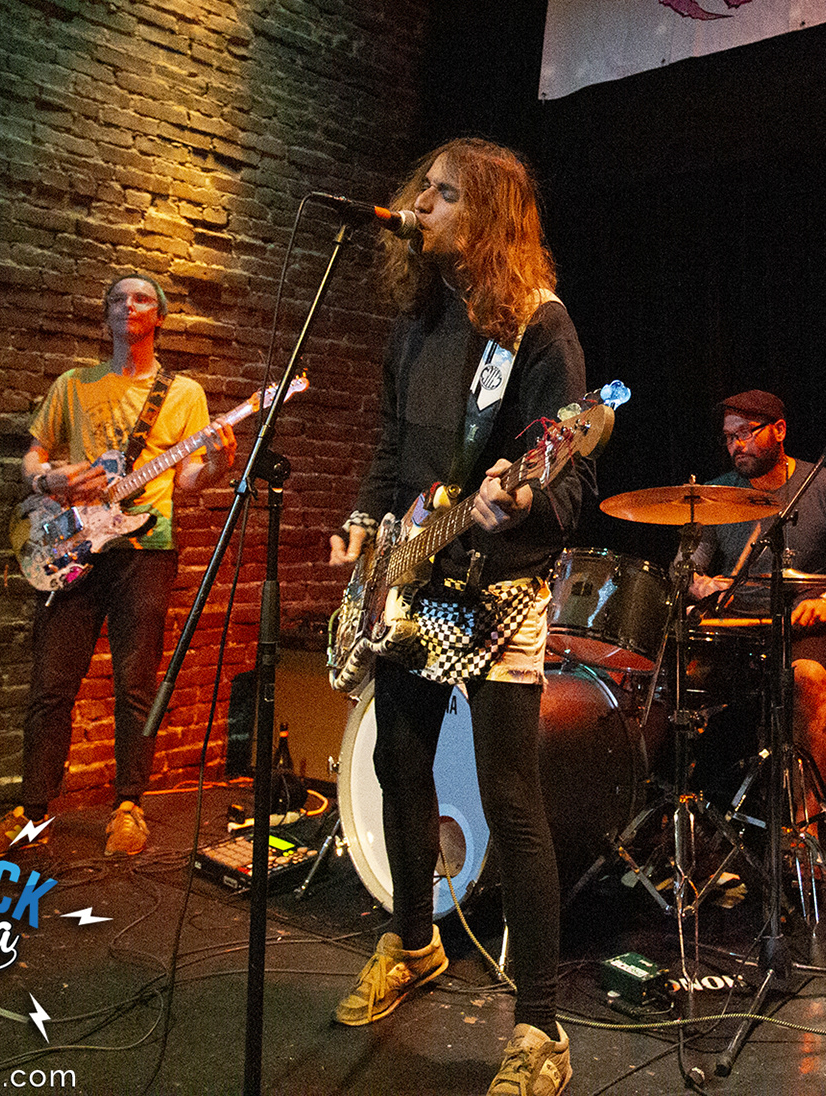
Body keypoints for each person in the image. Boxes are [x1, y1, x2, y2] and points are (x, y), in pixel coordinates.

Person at [327, 138, 590, 1096]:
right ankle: (412, 942)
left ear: (489, 218)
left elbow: (569, 477)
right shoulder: (420, 318)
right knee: (397, 762)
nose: (421, 206)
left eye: (444, 194)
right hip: (411, 578)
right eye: (422, 190)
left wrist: (513, 502)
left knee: (510, 798)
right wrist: (364, 527)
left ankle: (541, 1027)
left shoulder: (539, 328)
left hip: (499, 593)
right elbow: (393, 443)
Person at [0, 274, 237, 859]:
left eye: (140, 298)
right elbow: (32, 458)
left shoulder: (184, 393)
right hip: (73, 548)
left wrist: (218, 465)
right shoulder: (73, 384)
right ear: (106, 314)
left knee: (136, 687)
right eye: (117, 298)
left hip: (147, 551)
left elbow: (189, 478)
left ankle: (128, 806)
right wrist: (49, 479)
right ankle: (30, 810)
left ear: (159, 316)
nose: (127, 305)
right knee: (50, 685)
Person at [686, 389, 826, 824]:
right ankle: (683, 815)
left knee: (809, 678)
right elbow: (688, 568)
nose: (736, 444)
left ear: (779, 430)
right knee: (668, 675)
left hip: (804, 631)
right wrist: (702, 585)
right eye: (729, 437)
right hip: (736, 630)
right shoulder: (716, 494)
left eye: (746, 432)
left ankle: (804, 825)